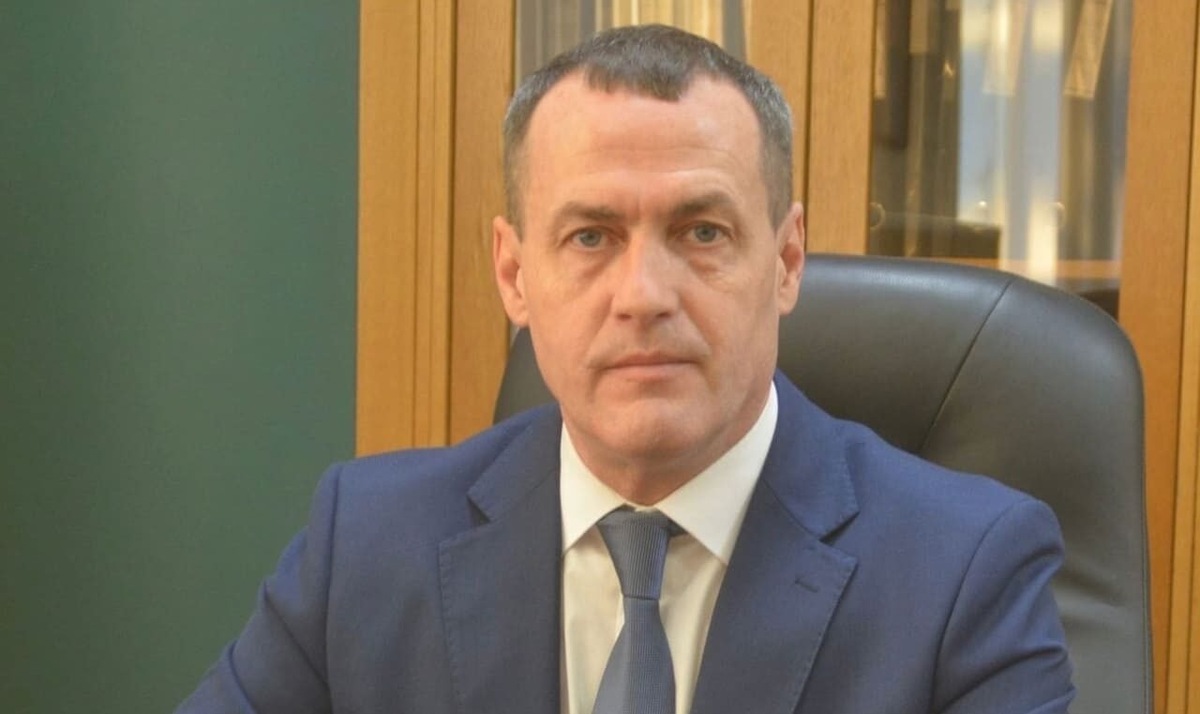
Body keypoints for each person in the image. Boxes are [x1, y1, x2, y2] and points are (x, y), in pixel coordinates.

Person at [177, 24, 1074, 714]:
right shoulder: (367, 545)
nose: (644, 295)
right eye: (591, 237)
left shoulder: (965, 573)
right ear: (514, 274)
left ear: (787, 259)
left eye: (702, 232)